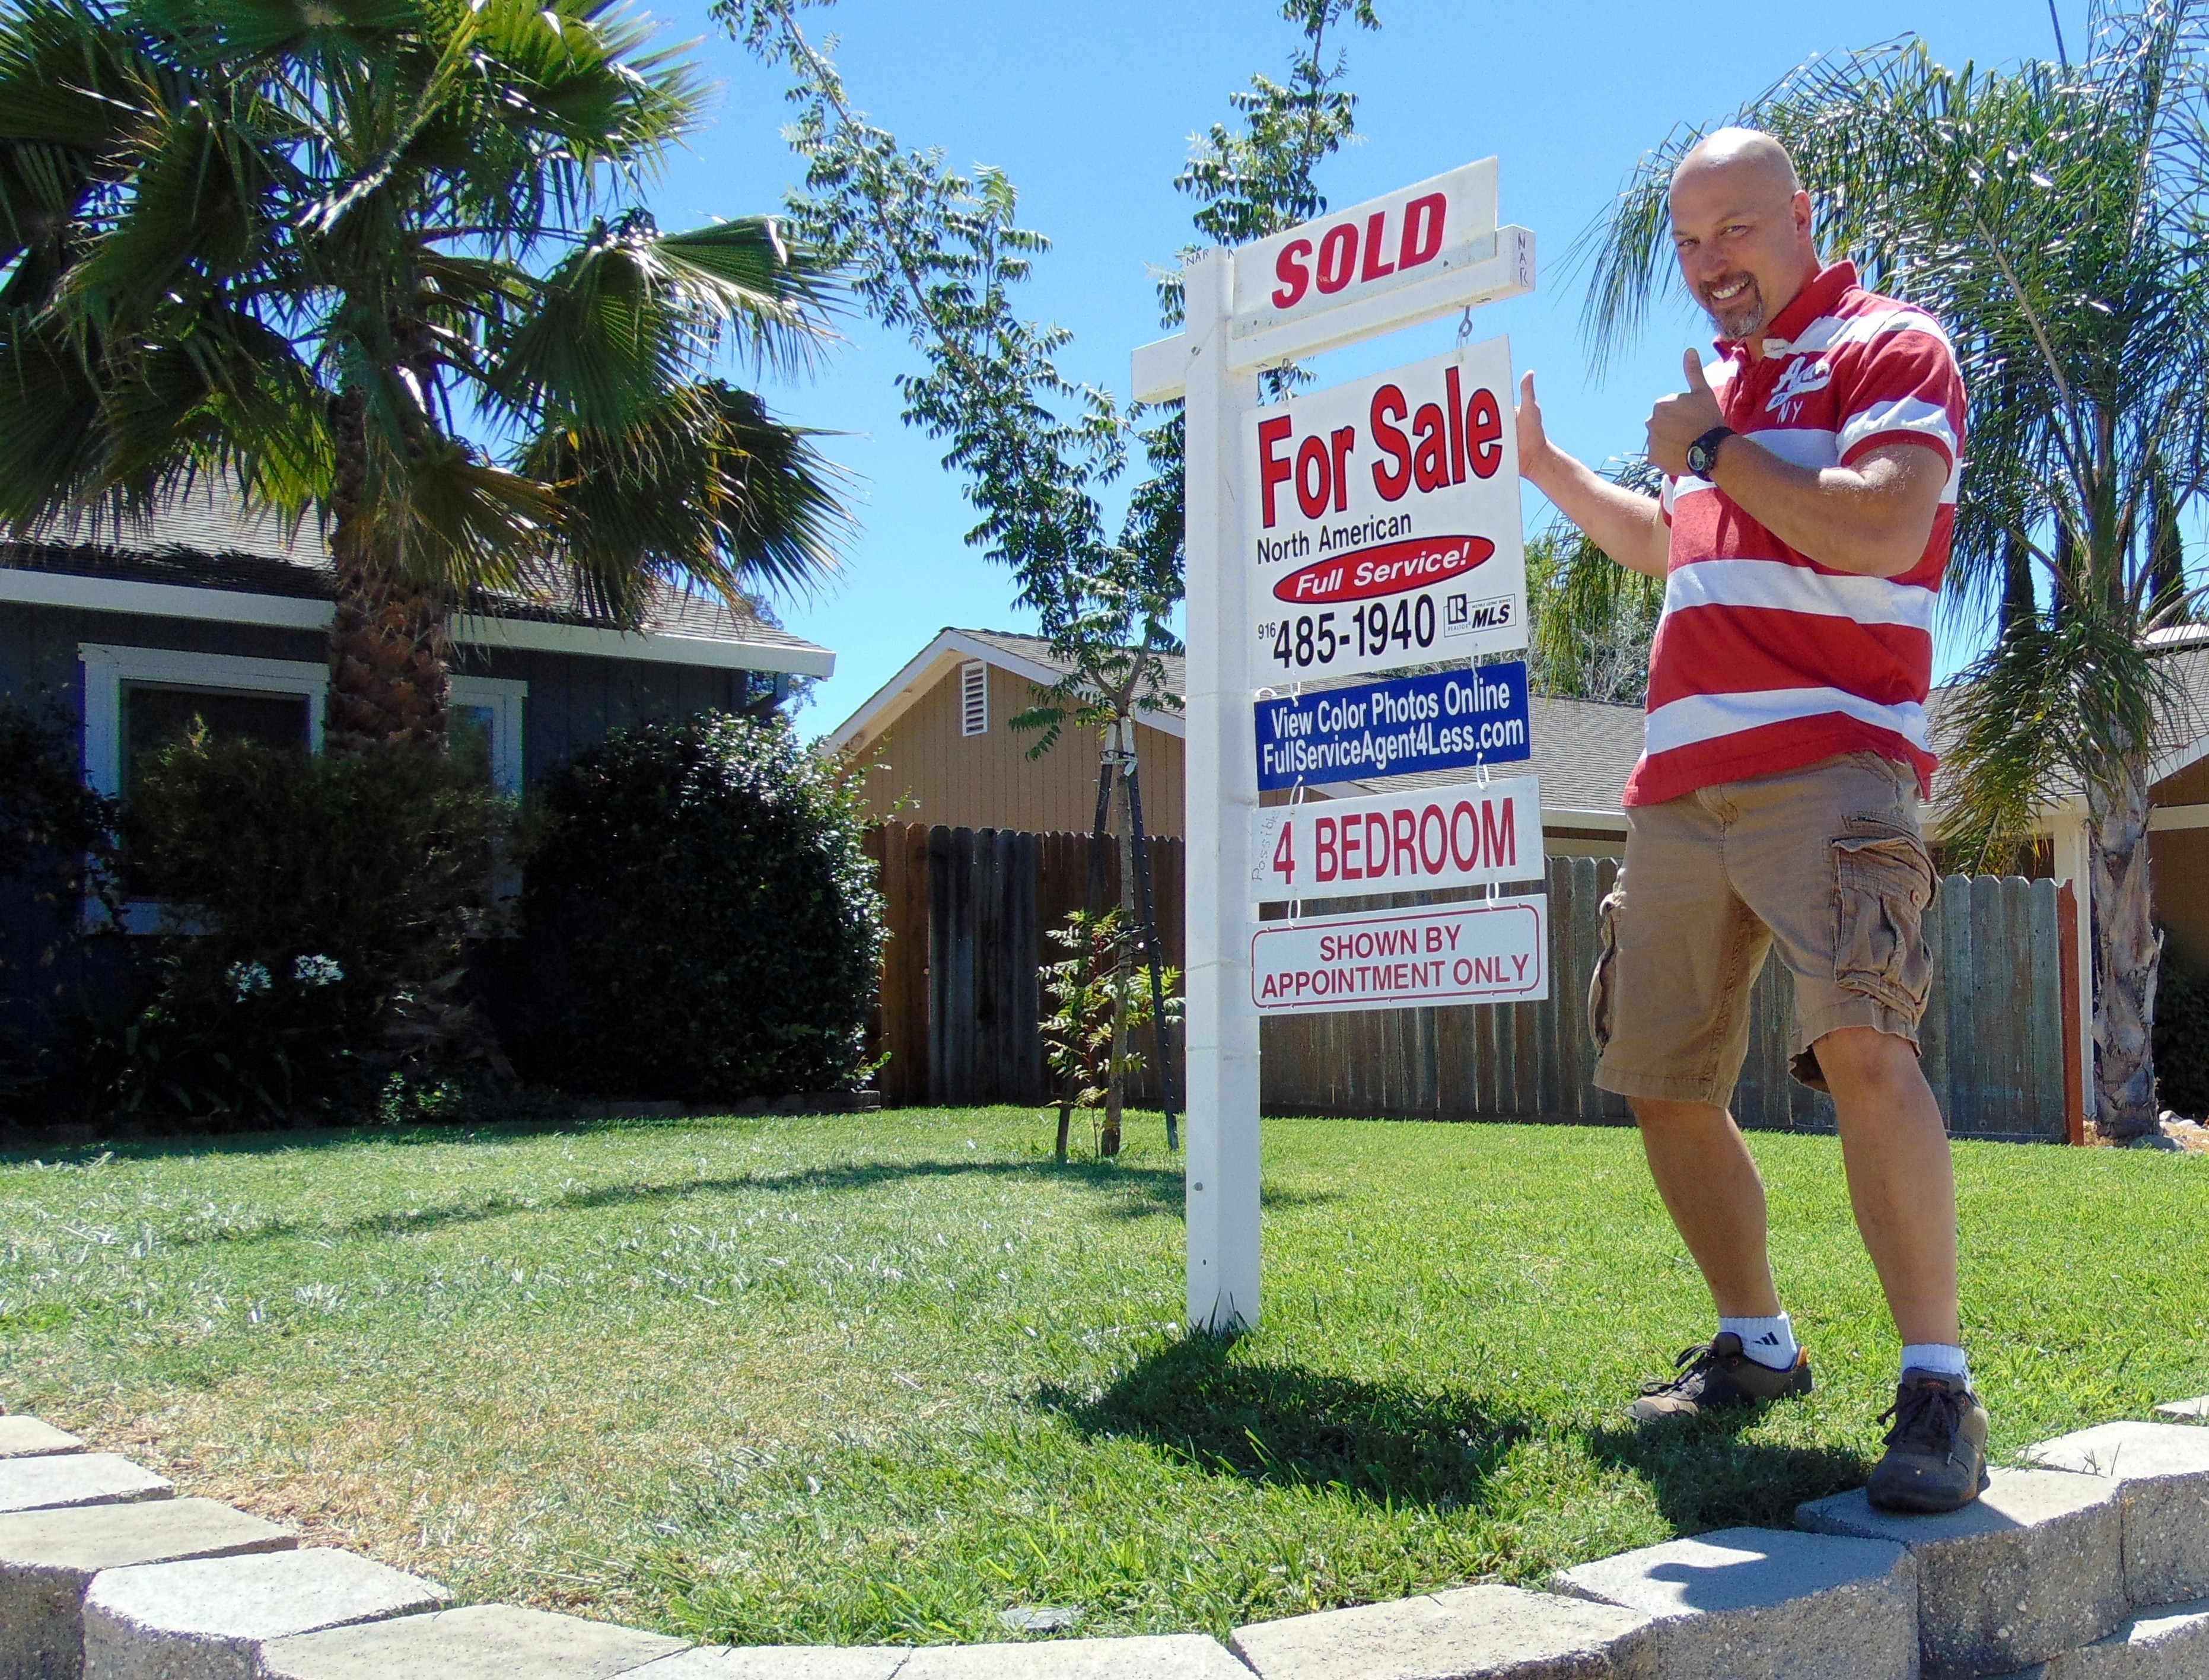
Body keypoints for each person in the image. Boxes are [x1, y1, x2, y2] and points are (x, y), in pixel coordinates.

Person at [1514, 128, 1987, 1513]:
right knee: (1659, 1075)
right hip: (1672, 791)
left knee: (1861, 1048)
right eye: (1688, 238)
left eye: (1735, 227)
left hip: (1828, 768)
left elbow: (1883, 527)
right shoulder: (1715, 384)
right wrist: (1548, 471)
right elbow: (1673, 542)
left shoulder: (1886, 346)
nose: (1710, 261)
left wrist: (1716, 445)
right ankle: (1755, 1345)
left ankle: (1937, 1389)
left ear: (1800, 217)